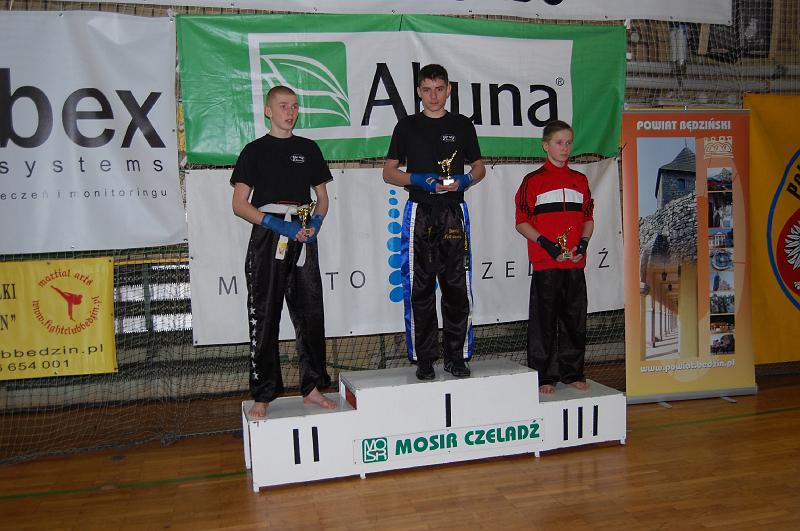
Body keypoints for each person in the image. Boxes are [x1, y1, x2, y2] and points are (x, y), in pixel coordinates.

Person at [231, 85, 337, 417]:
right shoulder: (254, 151)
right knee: (264, 314)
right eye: (282, 106)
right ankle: (263, 393)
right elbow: (239, 204)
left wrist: (315, 222)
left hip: (303, 236)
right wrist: (276, 224)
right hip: (268, 237)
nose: (290, 112)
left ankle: (312, 387)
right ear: (268, 111)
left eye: (294, 106)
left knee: (310, 313)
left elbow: (322, 198)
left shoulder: (308, 148)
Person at [382, 64, 486, 381]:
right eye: (427, 90)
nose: (433, 96)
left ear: (449, 89)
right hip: (420, 212)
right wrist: (417, 179)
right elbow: (388, 172)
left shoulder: (462, 125)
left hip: (454, 212)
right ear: (418, 92)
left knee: (457, 288)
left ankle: (456, 357)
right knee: (420, 288)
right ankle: (424, 359)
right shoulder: (407, 126)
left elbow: (479, 167)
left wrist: (466, 179)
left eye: (439, 89)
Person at [514, 120, 594, 394]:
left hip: (574, 263)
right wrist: (547, 245)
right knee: (544, 322)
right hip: (546, 264)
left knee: (574, 321)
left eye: (568, 142)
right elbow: (521, 222)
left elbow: (588, 218)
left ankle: (573, 373)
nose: (565, 148)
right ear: (545, 145)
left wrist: (583, 245)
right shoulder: (533, 181)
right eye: (559, 143)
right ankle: (544, 377)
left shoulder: (580, 180)